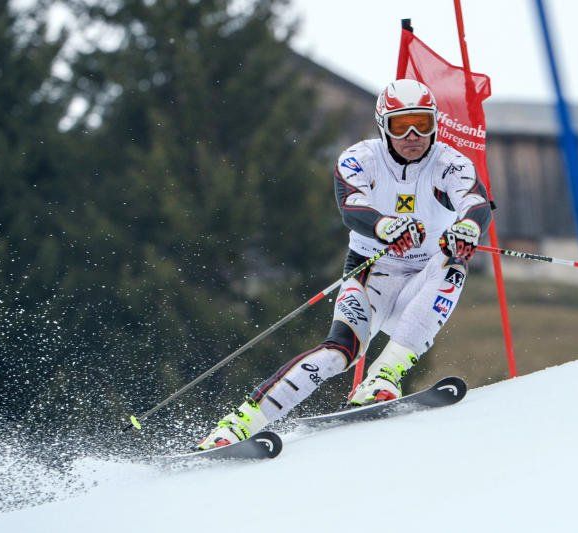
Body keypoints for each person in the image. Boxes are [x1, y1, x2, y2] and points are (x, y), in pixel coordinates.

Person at [198, 79, 492, 449]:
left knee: (454, 260)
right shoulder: (360, 159)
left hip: (424, 284)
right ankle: (236, 426)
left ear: (435, 124)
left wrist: (467, 228)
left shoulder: (450, 163)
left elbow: (475, 202)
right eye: (401, 125)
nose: (413, 135)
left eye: (422, 123)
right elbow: (351, 206)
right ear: (383, 126)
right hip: (372, 273)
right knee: (339, 353)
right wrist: (385, 226)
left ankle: (383, 376)